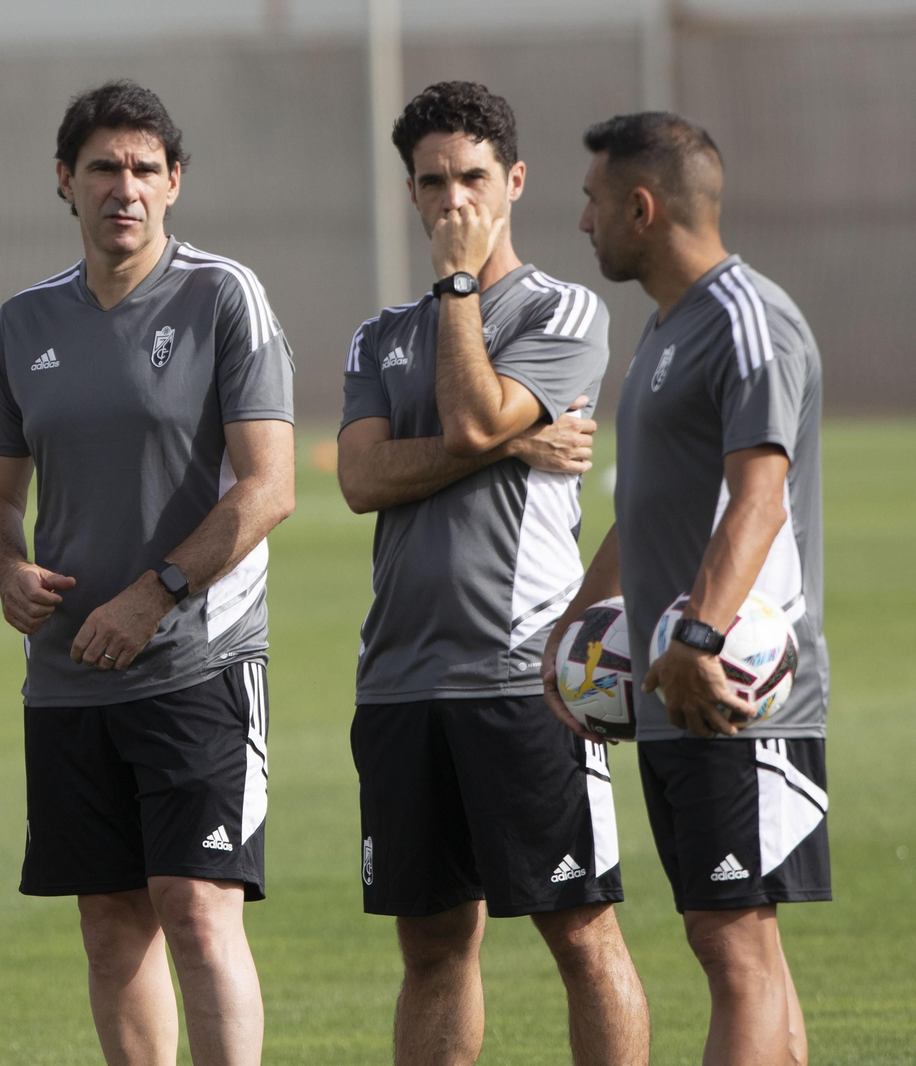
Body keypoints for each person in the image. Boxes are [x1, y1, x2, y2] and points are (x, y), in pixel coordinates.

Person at [0, 80, 295, 1066]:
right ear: (64, 181)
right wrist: (6, 570)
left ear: (175, 181)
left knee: (196, 908)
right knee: (109, 921)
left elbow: (269, 487)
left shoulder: (222, 295)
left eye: (145, 169)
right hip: (67, 677)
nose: (125, 188)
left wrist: (157, 593)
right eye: (103, 168)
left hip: (199, 661)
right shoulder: (23, 323)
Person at [338, 81, 650, 1066]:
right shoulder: (377, 334)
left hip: (526, 675)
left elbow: (467, 414)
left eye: (472, 178)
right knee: (431, 944)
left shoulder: (564, 310)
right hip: (397, 681)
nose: (453, 203)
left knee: (580, 928)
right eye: (432, 183)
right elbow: (358, 477)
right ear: (410, 192)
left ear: (513, 181)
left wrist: (461, 290)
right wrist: (513, 446)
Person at [550, 110, 830, 1066]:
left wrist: (700, 642)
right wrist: (572, 636)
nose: (582, 224)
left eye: (592, 203)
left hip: (736, 685)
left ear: (642, 205)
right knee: (739, 941)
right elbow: (648, 513)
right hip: (676, 686)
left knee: (731, 941)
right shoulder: (670, 329)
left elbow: (761, 500)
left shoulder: (748, 321)